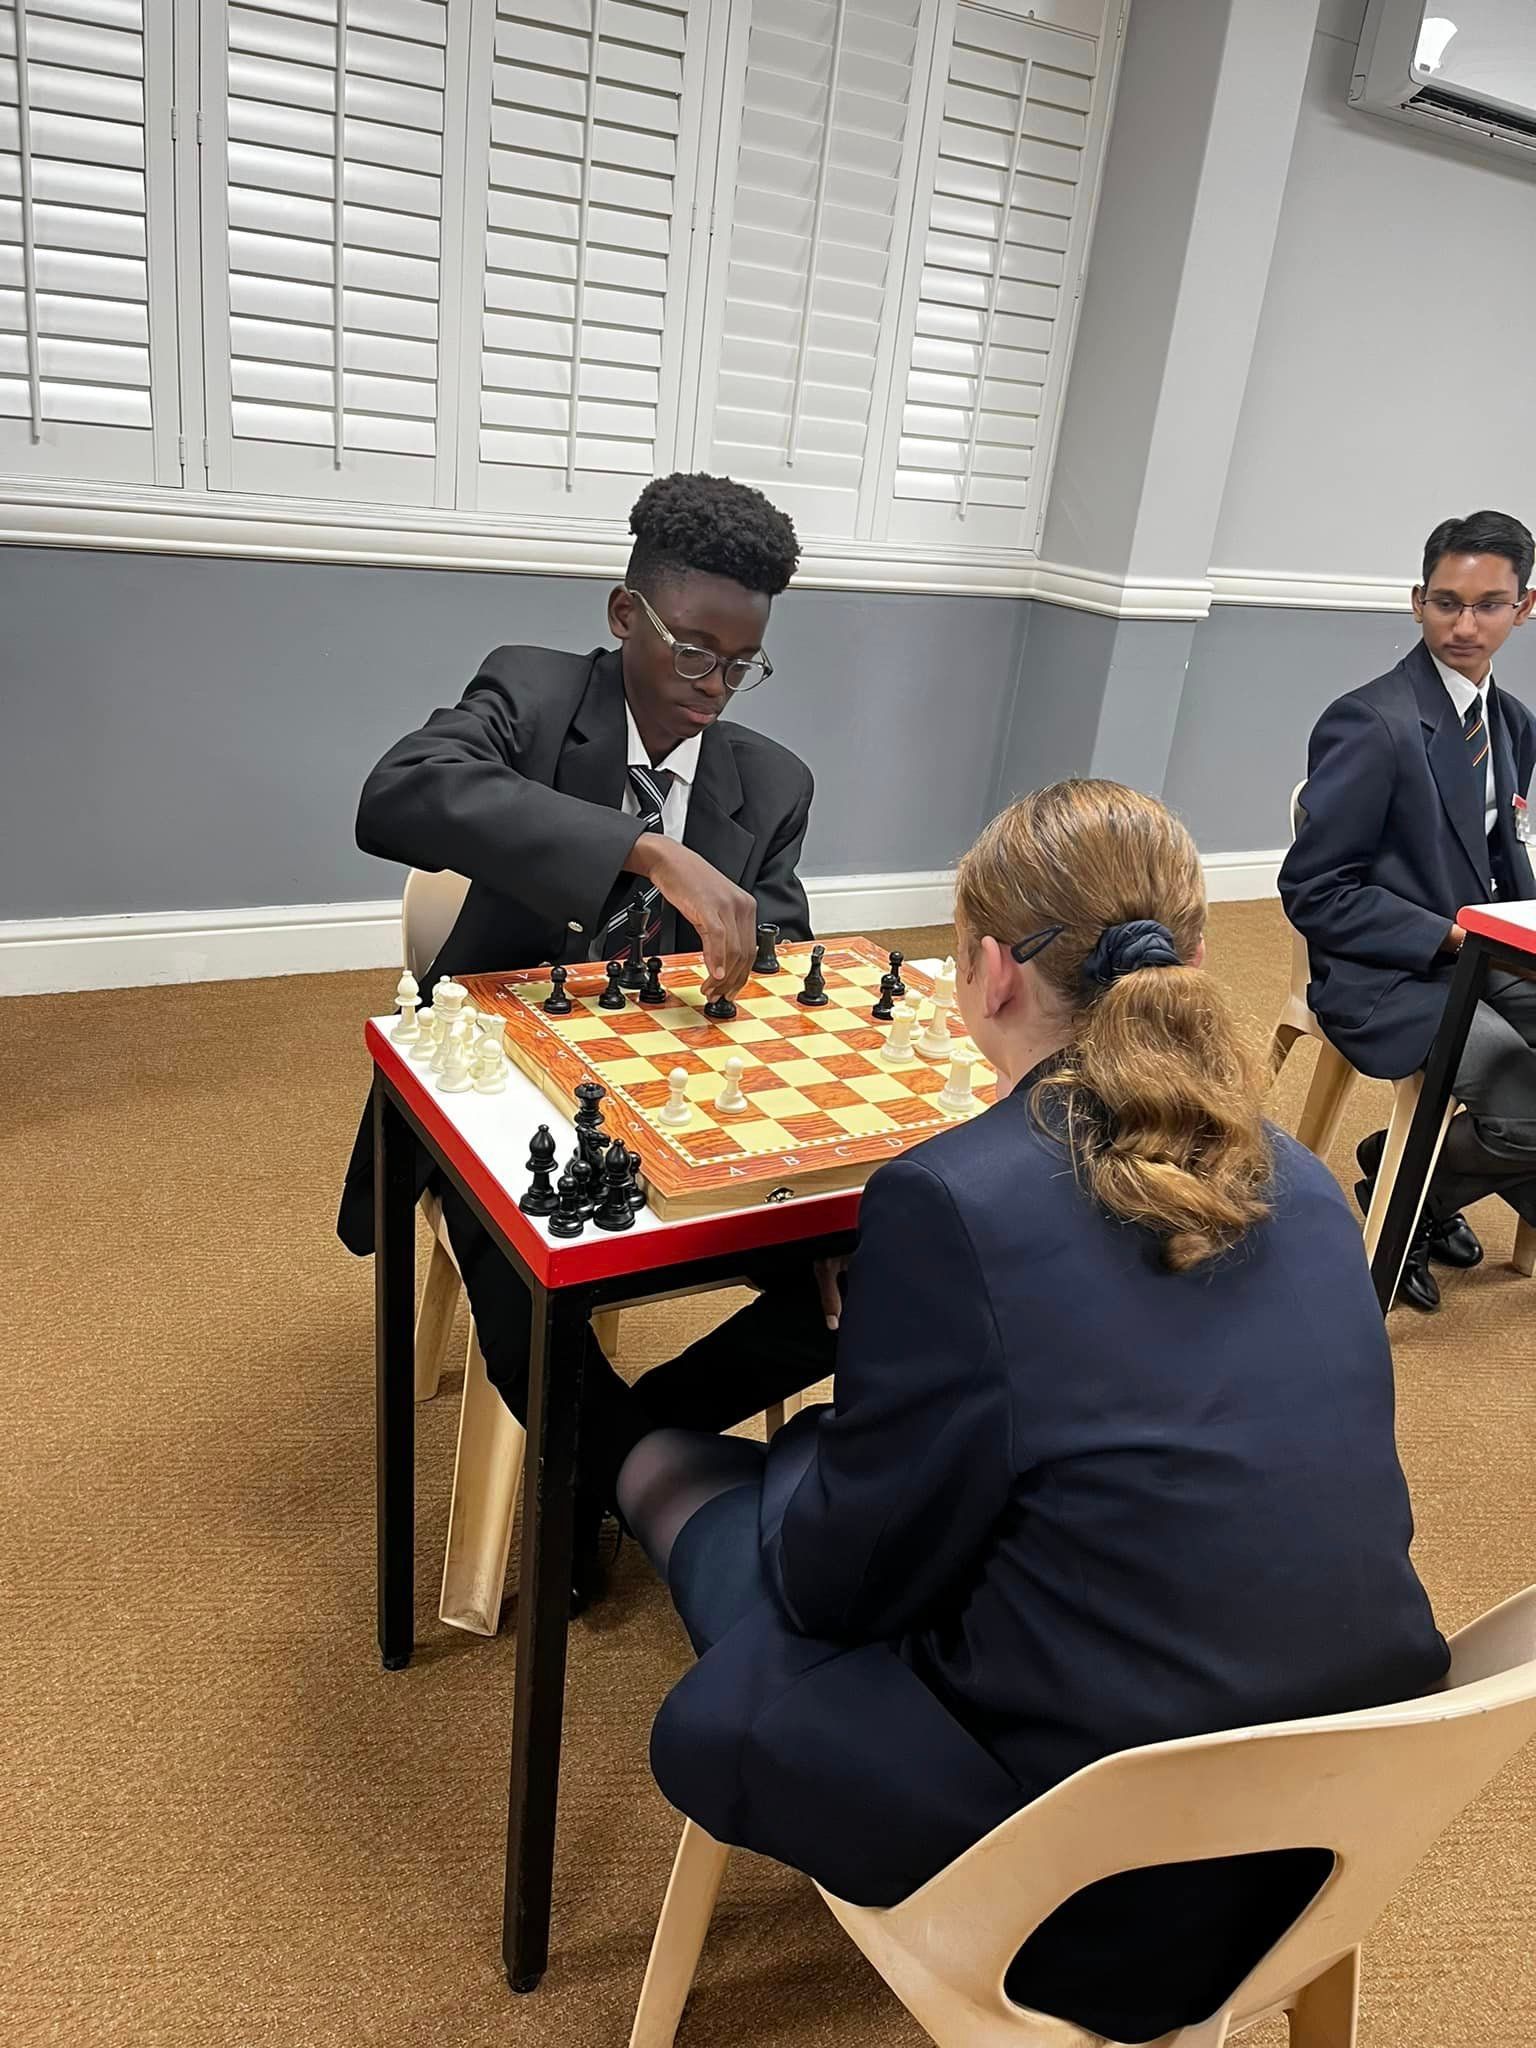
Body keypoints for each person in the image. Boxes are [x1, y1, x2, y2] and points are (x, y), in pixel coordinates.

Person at [618, 781, 1448, 2043]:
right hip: (1342, 1826)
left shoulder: (951, 1198)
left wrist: (810, 1446)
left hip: (1104, 1888)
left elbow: (847, 1584)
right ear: (1196, 956)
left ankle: (640, 1466)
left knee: (698, 1504)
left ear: (990, 971)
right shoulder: (1301, 1175)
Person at [336, 473, 836, 1605]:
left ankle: (608, 1458)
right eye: (693, 651)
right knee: (535, 1288)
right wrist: (644, 849)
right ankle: (634, 1470)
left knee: (863, 1275)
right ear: (625, 616)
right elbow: (396, 795)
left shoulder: (773, 781)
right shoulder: (529, 689)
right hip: (503, 1089)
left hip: (681, 1101)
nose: (715, 687)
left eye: (742, 662)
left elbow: (781, 948)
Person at [1279, 509, 1536, 1312]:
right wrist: (1450, 934)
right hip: (1389, 969)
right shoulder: (1372, 721)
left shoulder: (1514, 723)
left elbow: (1504, 847)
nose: (1465, 624)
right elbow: (1315, 890)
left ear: (1524, 608)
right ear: (1416, 599)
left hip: (1486, 953)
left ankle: (1403, 1170)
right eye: (1446, 602)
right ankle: (1413, 1203)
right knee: (1528, 1107)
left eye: (1489, 604)